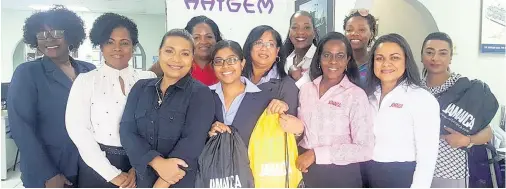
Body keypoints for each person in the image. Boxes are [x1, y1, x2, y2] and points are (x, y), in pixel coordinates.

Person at [7, 5, 96, 188]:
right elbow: (21, 128)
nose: (49, 40)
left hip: (89, 167)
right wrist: (48, 174)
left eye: (56, 32)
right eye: (42, 34)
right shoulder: (27, 73)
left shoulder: (89, 70)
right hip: (49, 171)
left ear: (71, 35)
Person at [65, 13, 156, 188]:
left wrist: (139, 166)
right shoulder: (86, 81)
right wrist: (112, 174)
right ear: (100, 46)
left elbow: (154, 126)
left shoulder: (148, 78)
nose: (117, 48)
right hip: (98, 166)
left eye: (124, 43)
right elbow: (78, 131)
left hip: (141, 163)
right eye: (109, 42)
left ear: (133, 46)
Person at [119, 29, 215, 188]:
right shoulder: (141, 88)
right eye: (169, 51)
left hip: (179, 182)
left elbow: (192, 143)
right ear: (160, 53)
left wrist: (160, 185)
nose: (176, 59)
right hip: (141, 180)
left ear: (192, 58)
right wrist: (156, 162)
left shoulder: (201, 93)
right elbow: (127, 131)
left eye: (184, 53)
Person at [361, 33, 440, 188]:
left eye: (394, 58)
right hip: (366, 173)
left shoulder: (421, 98)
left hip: (400, 176)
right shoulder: (368, 95)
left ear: (406, 61)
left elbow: (427, 157)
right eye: (379, 58)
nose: (386, 64)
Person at [296, 32, 374, 188]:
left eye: (340, 56)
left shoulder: (355, 95)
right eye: (327, 55)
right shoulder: (306, 90)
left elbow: (365, 149)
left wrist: (316, 154)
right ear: (319, 58)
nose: (333, 61)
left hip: (341, 176)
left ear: (348, 60)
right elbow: (301, 131)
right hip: (305, 170)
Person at [420, 32, 496, 188]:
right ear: (421, 56)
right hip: (416, 169)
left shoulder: (466, 89)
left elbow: (488, 132)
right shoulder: (415, 89)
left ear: (450, 58)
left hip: (450, 172)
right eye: (429, 52)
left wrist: (468, 140)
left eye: (442, 53)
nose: (435, 58)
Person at [207, 40, 303, 146]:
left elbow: (284, 135)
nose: (225, 66)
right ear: (213, 66)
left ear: (242, 63)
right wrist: (209, 134)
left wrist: (297, 127)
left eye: (232, 60)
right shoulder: (203, 96)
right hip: (212, 161)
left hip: (251, 161)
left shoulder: (265, 98)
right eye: (218, 61)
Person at [242, 25, 299, 116]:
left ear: (277, 51)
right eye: (258, 43)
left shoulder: (287, 86)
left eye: (270, 44)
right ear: (250, 47)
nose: (264, 48)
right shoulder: (236, 77)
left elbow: (292, 126)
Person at [283, 11, 318, 88]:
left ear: (314, 32)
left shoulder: (321, 59)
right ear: (289, 32)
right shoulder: (286, 60)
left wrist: (298, 79)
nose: (300, 32)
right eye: (295, 27)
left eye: (306, 27)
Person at [343, 9, 378, 87]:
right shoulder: (337, 61)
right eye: (349, 30)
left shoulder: (377, 63)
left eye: (362, 30)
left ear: (372, 34)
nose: (354, 33)